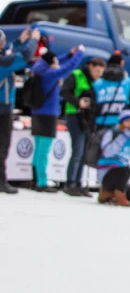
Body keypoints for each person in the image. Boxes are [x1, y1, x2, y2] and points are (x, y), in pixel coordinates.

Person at [30, 45, 86, 192]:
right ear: (51, 64)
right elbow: (69, 67)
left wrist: (68, 53)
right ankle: (42, 182)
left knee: (38, 150)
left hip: (37, 113)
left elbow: (55, 61)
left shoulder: (39, 68)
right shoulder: (50, 74)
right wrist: (79, 53)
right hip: (48, 115)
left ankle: (35, 179)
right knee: (44, 151)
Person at [0, 29, 39, 194]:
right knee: (2, 146)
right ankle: (1, 182)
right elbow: (23, 57)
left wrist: (18, 41)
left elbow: (7, 53)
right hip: (2, 108)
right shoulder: (3, 62)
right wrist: (33, 41)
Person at [61, 56, 106, 196]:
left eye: (101, 72)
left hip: (88, 119)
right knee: (77, 151)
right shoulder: (77, 75)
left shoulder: (97, 82)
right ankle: (70, 183)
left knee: (83, 153)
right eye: (97, 71)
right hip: (75, 115)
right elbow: (63, 91)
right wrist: (77, 102)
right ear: (91, 66)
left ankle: (78, 184)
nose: (99, 74)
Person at [96, 110, 130, 207]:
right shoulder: (112, 133)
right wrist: (123, 137)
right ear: (121, 122)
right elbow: (107, 153)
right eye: (127, 121)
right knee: (125, 169)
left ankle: (109, 194)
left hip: (121, 177)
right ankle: (115, 194)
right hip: (107, 172)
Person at [92, 51, 130, 128]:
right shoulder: (128, 82)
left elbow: (92, 108)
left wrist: (90, 131)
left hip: (101, 125)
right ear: (122, 63)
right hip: (123, 125)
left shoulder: (98, 83)